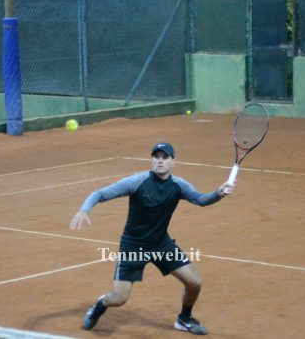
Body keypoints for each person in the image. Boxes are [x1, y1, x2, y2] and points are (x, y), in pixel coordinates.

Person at [69, 142, 234, 335]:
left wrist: (218, 193)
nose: (160, 161)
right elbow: (100, 193)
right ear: (152, 160)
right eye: (156, 157)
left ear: (174, 162)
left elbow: (200, 199)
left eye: (165, 157)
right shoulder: (137, 182)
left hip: (160, 244)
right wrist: (84, 209)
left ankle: (184, 318)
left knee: (194, 282)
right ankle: (99, 306)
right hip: (133, 246)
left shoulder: (179, 186)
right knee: (118, 298)